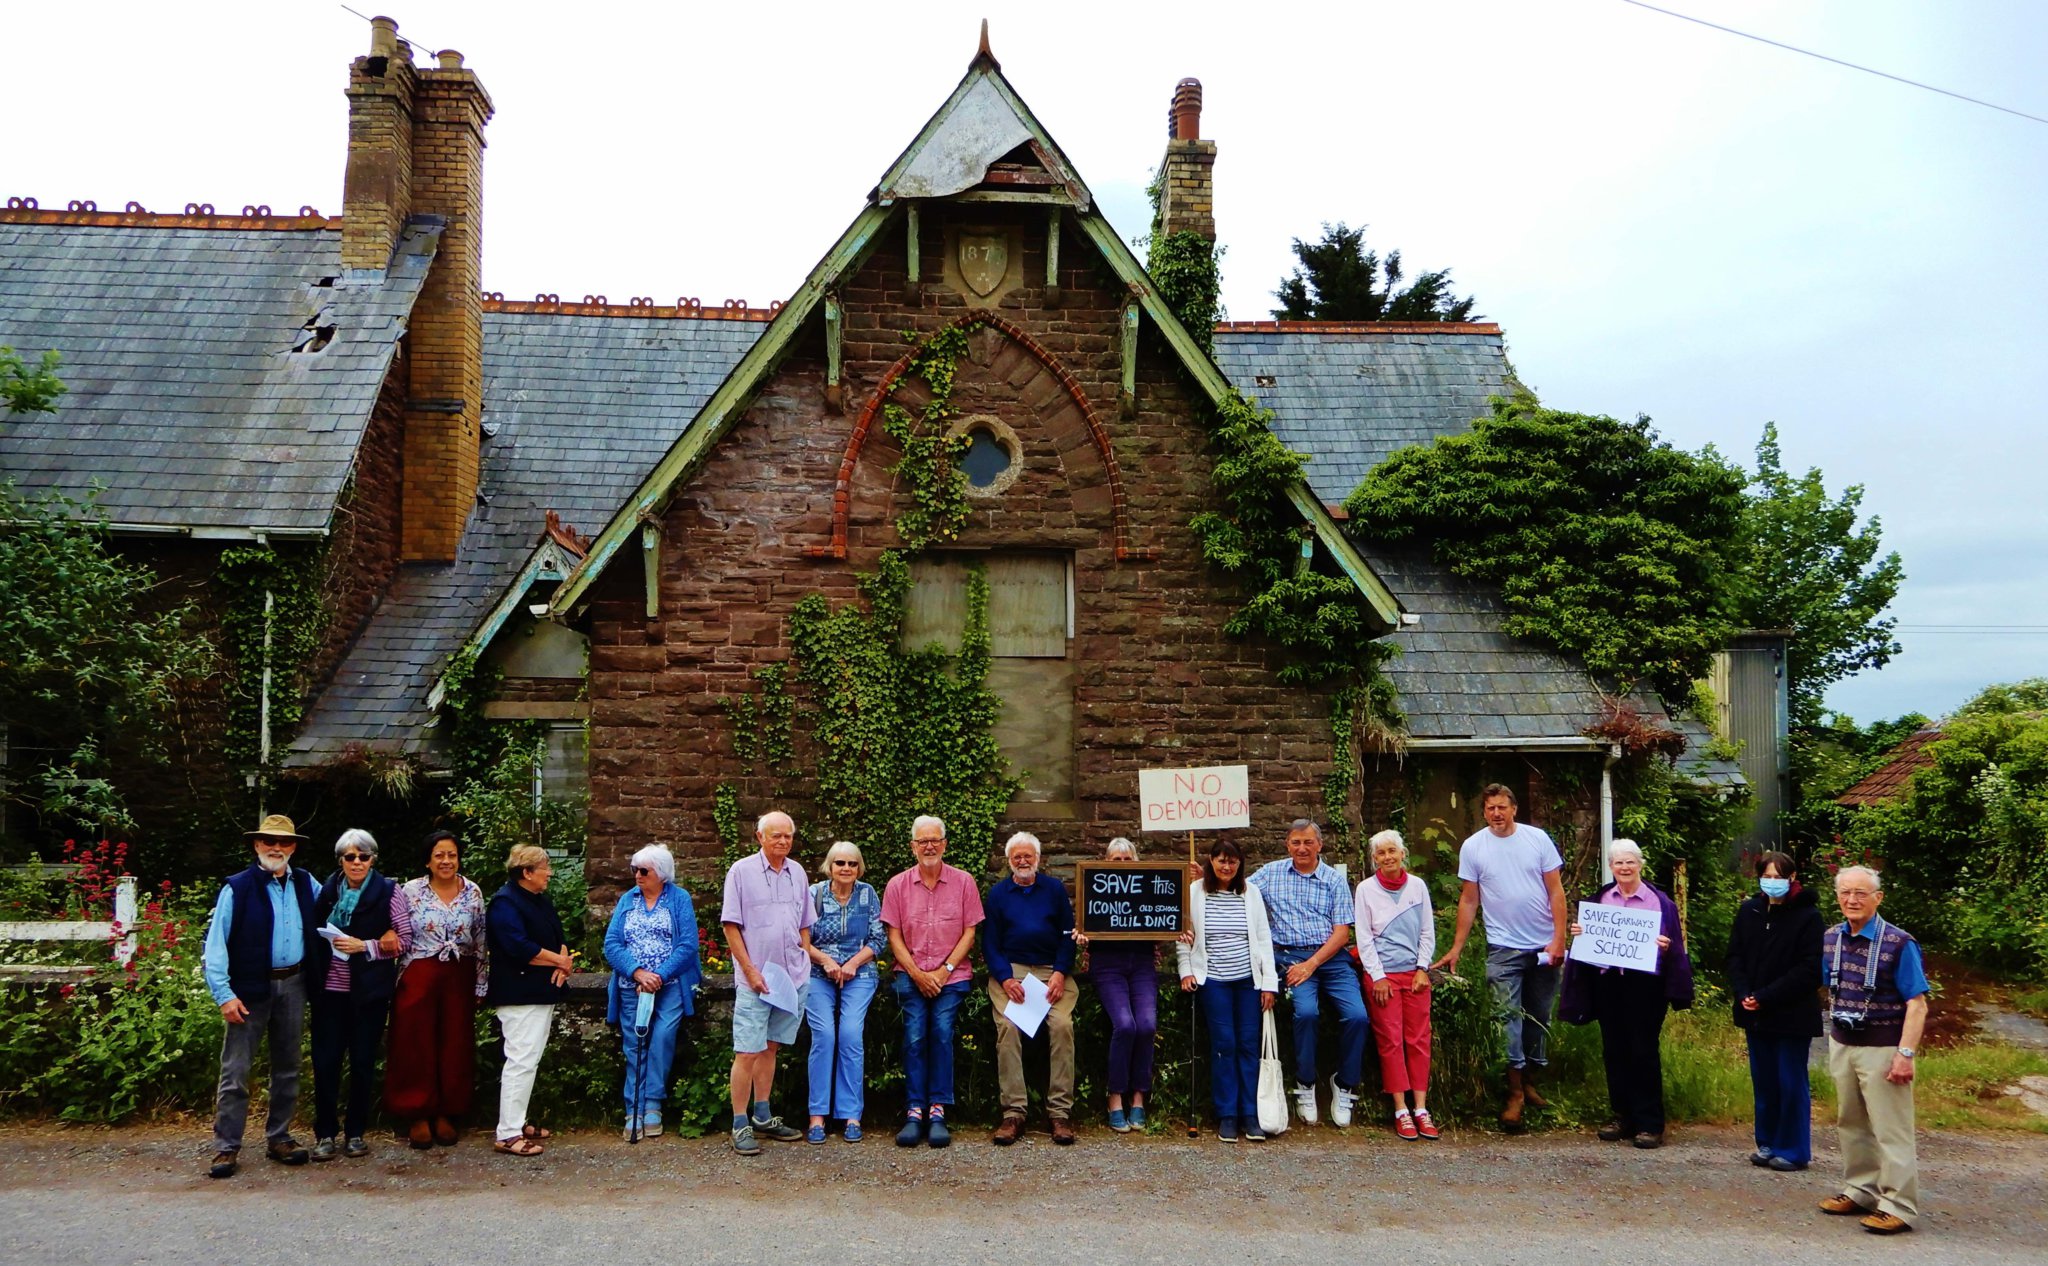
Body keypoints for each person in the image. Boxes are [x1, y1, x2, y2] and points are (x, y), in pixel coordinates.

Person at [1432, 783, 1568, 1130]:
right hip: (1503, 947)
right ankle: (1514, 1094)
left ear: (1514, 809)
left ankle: (1530, 1079)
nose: (1496, 814)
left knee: (1539, 1018)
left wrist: (1557, 939)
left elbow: (1556, 891)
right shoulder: (1474, 847)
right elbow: (1469, 900)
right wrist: (1456, 947)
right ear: (1484, 812)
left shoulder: (1537, 840)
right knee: (1506, 1019)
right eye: (1490, 808)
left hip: (1541, 946)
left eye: (1502, 807)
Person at [201, 814, 321, 1178]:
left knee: (288, 1068)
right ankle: (226, 1147)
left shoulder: (306, 883)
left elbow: (339, 911)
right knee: (236, 1071)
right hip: (249, 988)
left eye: (284, 842)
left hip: (294, 983)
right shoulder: (237, 888)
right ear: (256, 845)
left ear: (294, 847)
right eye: (269, 841)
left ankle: (279, 1138)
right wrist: (224, 994)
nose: (276, 848)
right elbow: (216, 945)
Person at [1559, 839, 1695, 1149]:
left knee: (1643, 1050)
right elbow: (1588, 943)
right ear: (1610, 866)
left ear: (1640, 865)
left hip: (1646, 986)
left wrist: (1666, 945)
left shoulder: (1659, 903)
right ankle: (1622, 1116)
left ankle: (1650, 1123)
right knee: (1614, 1050)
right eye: (1618, 862)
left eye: (1630, 862)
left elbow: (1675, 948)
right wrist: (1579, 934)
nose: (1624, 867)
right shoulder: (1600, 900)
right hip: (1609, 984)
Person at [1818, 865, 1929, 1236]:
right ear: (1837, 897)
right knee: (1851, 1122)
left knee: (1891, 1129)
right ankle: (1861, 1189)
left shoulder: (1900, 943)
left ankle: (1898, 1205)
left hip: (1883, 1047)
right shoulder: (1831, 937)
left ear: (1878, 898)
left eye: (1861, 894)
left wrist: (1906, 1053)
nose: (1852, 900)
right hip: (1843, 1044)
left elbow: (1917, 1003)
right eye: (1846, 892)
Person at [1247, 818, 1369, 1127]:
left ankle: (1344, 1083)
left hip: (1330, 957)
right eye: (1296, 842)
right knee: (1306, 1014)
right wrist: (1199, 880)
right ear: (1287, 845)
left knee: (1357, 1016)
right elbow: (1238, 889)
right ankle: (1305, 1083)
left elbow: (1343, 933)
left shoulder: (1332, 879)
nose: (1302, 848)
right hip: (1289, 956)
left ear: (1320, 845)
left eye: (1308, 842)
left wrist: (1312, 964)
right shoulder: (1270, 873)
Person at [880, 814, 983, 1148]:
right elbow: (893, 936)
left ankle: (937, 1111)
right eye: (922, 841)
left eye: (934, 840)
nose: (928, 846)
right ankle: (914, 1112)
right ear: (913, 847)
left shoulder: (964, 882)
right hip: (911, 974)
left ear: (944, 844)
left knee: (940, 1033)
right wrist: (918, 974)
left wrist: (944, 971)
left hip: (951, 977)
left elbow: (970, 931)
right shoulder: (897, 885)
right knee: (914, 1036)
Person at [385, 829, 488, 1149]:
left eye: (452, 855)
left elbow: (481, 938)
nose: (446, 861)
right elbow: (395, 931)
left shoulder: (472, 891)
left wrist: (482, 981)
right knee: (416, 1042)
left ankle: (446, 1111)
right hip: (419, 972)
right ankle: (417, 1112)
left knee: (454, 1043)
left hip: (459, 973)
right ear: (428, 860)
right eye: (439, 855)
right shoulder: (410, 891)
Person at [721, 810, 814, 1154]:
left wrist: (803, 955)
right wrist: (749, 971)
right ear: (759, 837)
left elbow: (805, 921)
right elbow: (731, 925)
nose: (783, 841)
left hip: (791, 977)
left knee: (771, 1046)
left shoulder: (798, 872)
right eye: (776, 835)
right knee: (746, 1050)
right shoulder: (741, 872)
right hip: (755, 979)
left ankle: (762, 1114)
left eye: (788, 836)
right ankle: (739, 1122)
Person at [1727, 849, 1823, 1172]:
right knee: (1764, 1081)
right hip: (1754, 1013)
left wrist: (1766, 996)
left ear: (1792, 878)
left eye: (1778, 877)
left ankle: (1793, 1149)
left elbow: (1810, 969)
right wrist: (1744, 993)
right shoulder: (1749, 911)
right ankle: (1766, 1143)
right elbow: (1735, 956)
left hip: (1791, 1014)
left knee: (1790, 1081)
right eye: (1766, 877)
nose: (1771, 882)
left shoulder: (1808, 916)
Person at [1176, 837, 1277, 1143]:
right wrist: (1185, 971)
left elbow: (1263, 939)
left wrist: (1269, 982)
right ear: (1211, 861)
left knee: (1248, 1044)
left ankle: (1250, 1113)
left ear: (1239, 864)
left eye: (1232, 861)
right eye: (1220, 860)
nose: (1226, 866)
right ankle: (1227, 1114)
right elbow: (1184, 936)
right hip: (1214, 980)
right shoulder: (1195, 892)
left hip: (1248, 980)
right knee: (1224, 1044)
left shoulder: (1251, 893)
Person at [982, 831, 1080, 1145]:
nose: (1023, 861)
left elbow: (1067, 935)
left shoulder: (1053, 890)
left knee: (1062, 1025)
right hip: (1011, 972)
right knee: (1009, 1028)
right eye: (1017, 857)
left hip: (1051, 971)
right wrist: (1006, 978)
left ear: (1038, 859)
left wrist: (1061, 972)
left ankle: (1059, 1113)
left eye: (1028, 856)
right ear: (1009, 861)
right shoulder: (998, 894)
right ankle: (1013, 1113)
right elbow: (990, 943)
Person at [307, 828, 398, 1162]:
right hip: (329, 992)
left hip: (369, 992)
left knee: (362, 1063)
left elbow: (405, 939)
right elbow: (312, 934)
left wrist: (366, 946)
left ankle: (356, 1132)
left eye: (363, 856)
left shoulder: (389, 891)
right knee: (326, 1063)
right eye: (350, 856)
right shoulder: (327, 891)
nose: (357, 862)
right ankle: (325, 1134)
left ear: (373, 859)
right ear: (340, 860)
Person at [603, 844, 702, 1141]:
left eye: (644, 870)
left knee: (662, 1038)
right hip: (632, 985)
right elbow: (612, 944)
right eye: (635, 869)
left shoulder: (679, 899)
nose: (637, 875)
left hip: (669, 985)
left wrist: (659, 975)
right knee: (634, 1045)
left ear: (661, 873)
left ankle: (653, 1105)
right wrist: (637, 972)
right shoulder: (627, 900)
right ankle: (633, 1109)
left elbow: (688, 944)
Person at [485, 845, 574, 1157]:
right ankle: (508, 1134)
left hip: (540, 991)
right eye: (544, 867)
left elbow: (556, 935)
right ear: (526, 873)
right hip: (518, 994)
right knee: (521, 1060)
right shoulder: (504, 903)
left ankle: (517, 1122)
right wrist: (558, 962)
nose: (549, 873)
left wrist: (563, 961)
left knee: (529, 1059)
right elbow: (518, 946)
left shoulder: (537, 899)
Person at [1353, 828, 1437, 1141]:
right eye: (1381, 853)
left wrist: (1422, 968)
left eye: (1392, 851)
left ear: (1403, 854)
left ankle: (1421, 1108)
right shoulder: (1365, 889)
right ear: (1374, 859)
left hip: (1414, 976)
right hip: (1382, 978)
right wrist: (1377, 976)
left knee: (1418, 1039)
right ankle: (1400, 1108)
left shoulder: (1418, 886)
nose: (1387, 857)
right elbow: (1363, 937)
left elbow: (1427, 931)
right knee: (1390, 1039)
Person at [801, 841, 887, 1144]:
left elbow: (878, 939)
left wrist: (851, 963)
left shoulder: (868, 894)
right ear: (829, 866)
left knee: (850, 1033)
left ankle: (851, 1114)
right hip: (817, 972)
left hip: (858, 972)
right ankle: (817, 1116)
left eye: (852, 864)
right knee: (824, 1035)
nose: (846, 869)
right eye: (840, 863)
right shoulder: (814, 894)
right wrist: (825, 961)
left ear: (859, 867)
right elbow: (800, 939)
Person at [1074, 837, 1159, 1133]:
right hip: (1108, 964)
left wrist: (1180, 929)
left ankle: (1138, 1098)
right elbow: (1083, 924)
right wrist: (1082, 935)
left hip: (1142, 964)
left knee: (1147, 1025)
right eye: (1116, 860)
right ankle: (1114, 1097)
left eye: (1127, 860)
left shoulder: (1149, 888)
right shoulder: (1094, 885)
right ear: (1105, 863)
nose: (1122, 865)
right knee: (1125, 1025)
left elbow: (1165, 922)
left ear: (1135, 863)